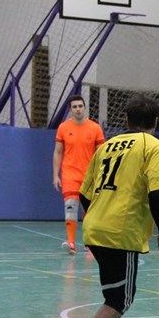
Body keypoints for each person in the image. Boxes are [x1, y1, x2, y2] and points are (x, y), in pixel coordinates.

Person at [63, 94, 159, 318]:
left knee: (114, 295)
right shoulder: (154, 146)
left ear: (126, 120)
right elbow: (156, 193)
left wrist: (99, 217)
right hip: (120, 231)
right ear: (156, 122)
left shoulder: (107, 146)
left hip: (96, 227)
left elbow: (84, 194)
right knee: (119, 300)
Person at [53, 95, 105, 254]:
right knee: (70, 207)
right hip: (69, 175)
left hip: (90, 176)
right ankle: (71, 242)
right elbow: (58, 152)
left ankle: (89, 242)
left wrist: (102, 174)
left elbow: (102, 153)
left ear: (85, 108)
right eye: (74, 107)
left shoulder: (95, 128)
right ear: (70, 110)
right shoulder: (63, 128)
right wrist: (55, 175)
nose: (78, 109)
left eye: (80, 106)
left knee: (89, 211)